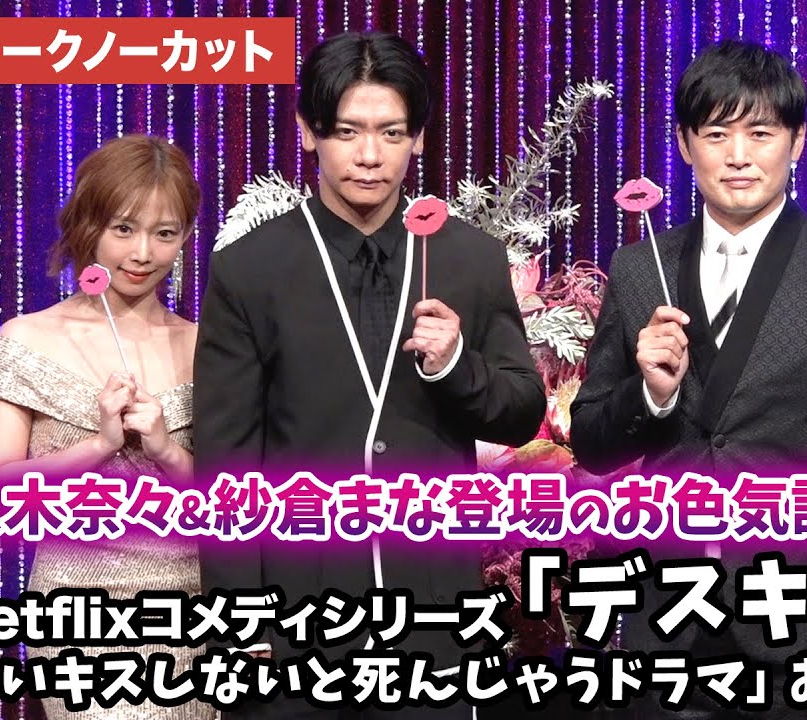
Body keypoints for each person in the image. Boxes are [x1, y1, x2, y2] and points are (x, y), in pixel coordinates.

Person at [194, 29, 545, 719]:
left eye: (391, 133)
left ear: (418, 137)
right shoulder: (251, 268)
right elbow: (227, 456)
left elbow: (520, 411)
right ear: (307, 131)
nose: (369, 156)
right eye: (347, 131)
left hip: (435, 615)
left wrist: (456, 365)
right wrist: (238, 616)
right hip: (297, 618)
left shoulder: (468, 258)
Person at [570, 40, 807, 719]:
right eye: (717, 134)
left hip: (794, 630)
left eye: (760, 133)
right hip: (663, 623)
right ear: (685, 144)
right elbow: (592, 445)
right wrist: (651, 394)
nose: (738, 156)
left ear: (797, 142)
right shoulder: (639, 268)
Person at [0, 134, 209, 719]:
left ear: (185, 238)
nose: (143, 252)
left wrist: (167, 451)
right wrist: (99, 445)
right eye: (124, 228)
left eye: (165, 233)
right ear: (89, 224)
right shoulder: (28, 339)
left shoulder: (206, 347)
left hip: (192, 611)